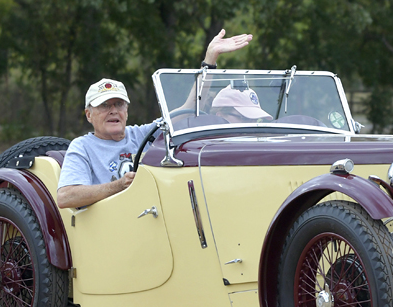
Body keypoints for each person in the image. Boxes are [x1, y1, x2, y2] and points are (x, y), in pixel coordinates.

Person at [56, 29, 252, 209]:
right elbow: (66, 196)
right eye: (104, 106)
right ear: (89, 115)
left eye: (119, 104)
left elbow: (190, 109)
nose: (113, 111)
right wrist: (118, 186)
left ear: (127, 110)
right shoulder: (82, 147)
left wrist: (210, 59)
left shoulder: (142, 135)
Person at [209, 86, 273, 123]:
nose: (253, 126)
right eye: (245, 118)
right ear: (220, 117)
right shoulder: (205, 145)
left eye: (256, 120)